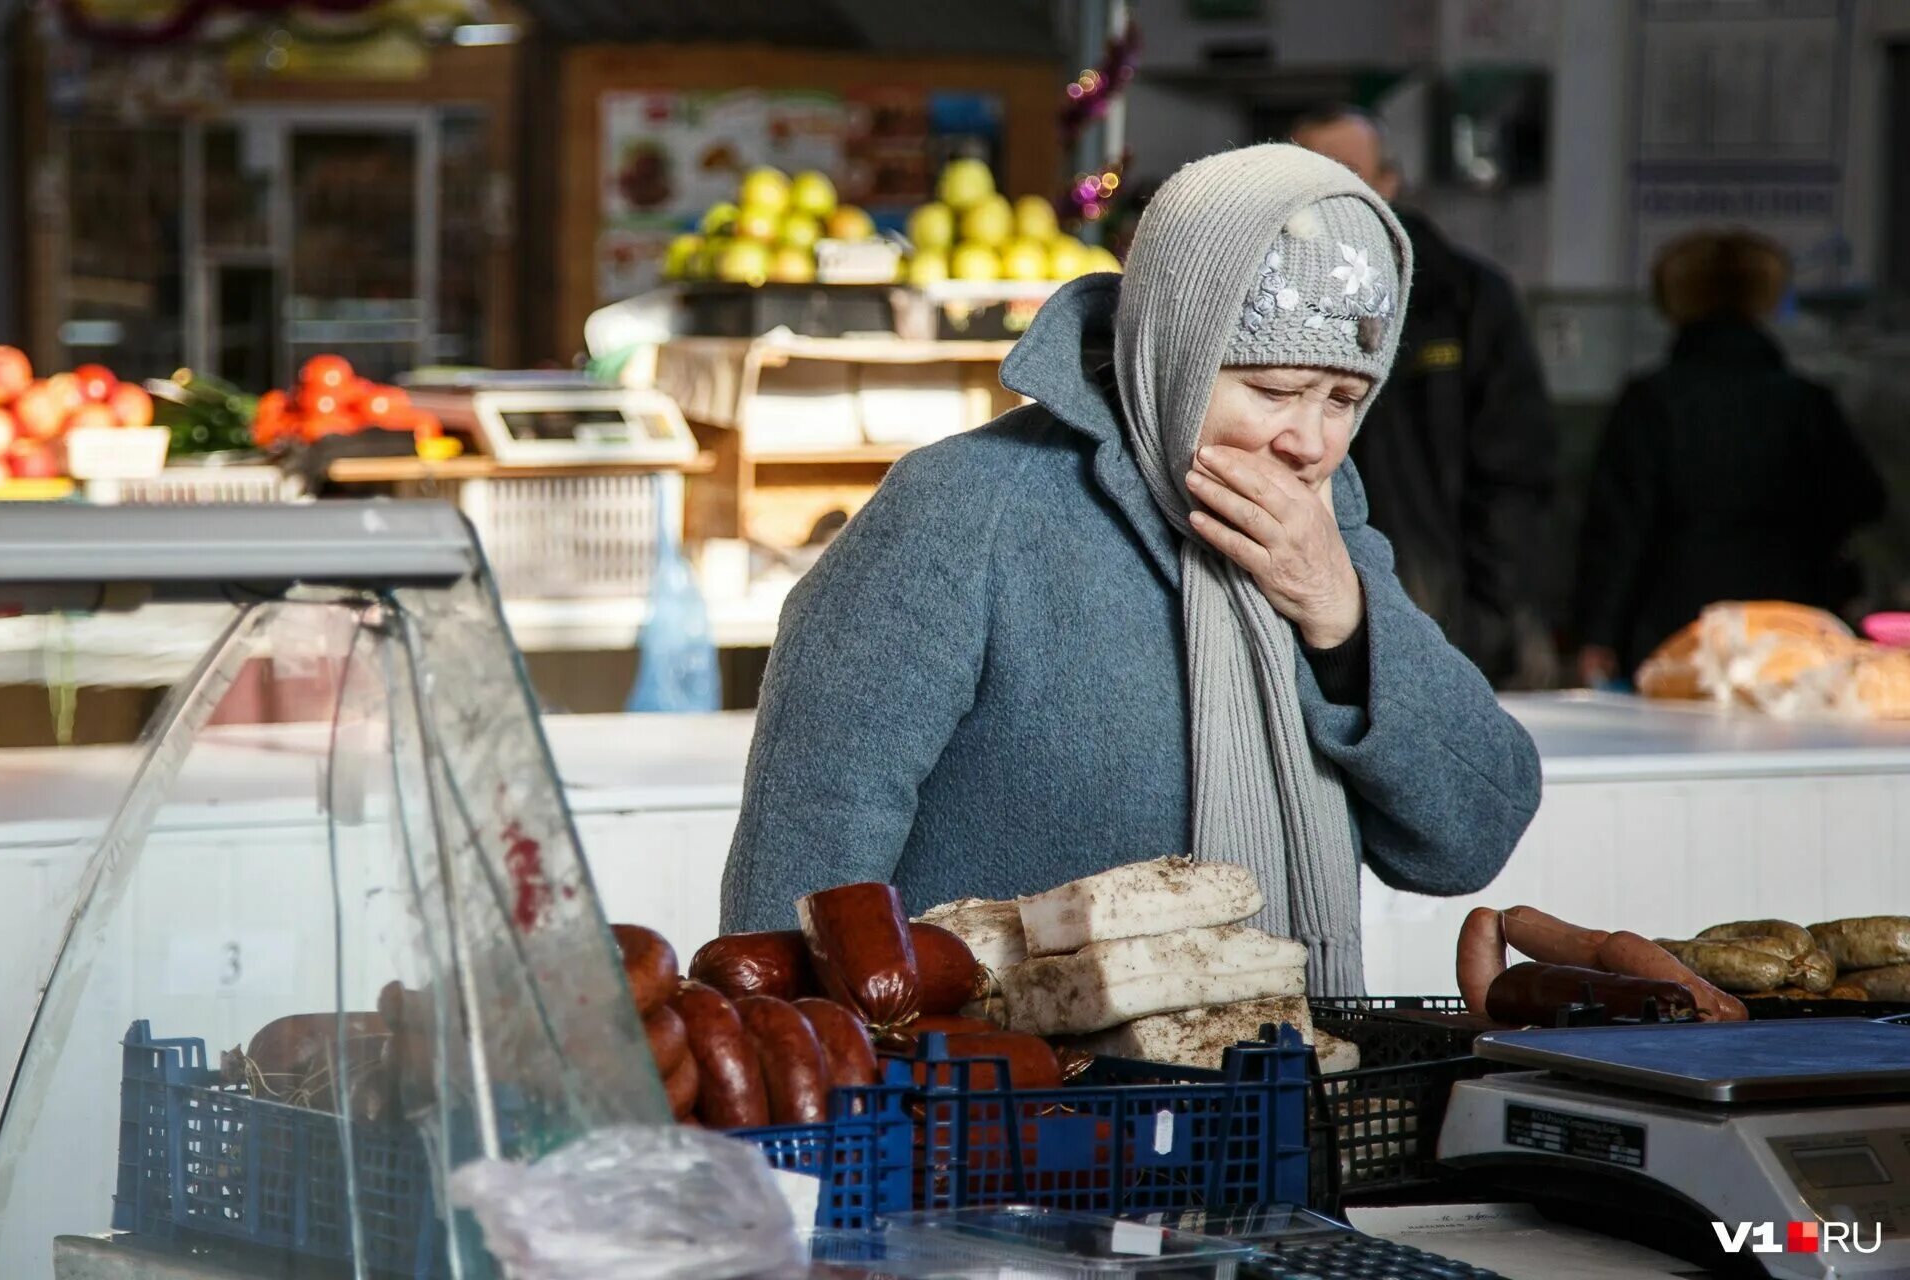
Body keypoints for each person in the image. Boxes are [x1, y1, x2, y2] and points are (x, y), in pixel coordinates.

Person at [720, 144, 1541, 996]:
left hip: (1278, 1102)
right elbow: (805, 857)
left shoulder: (1325, 531)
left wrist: (1346, 617)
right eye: (1273, 389)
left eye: (1342, 400)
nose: (1310, 440)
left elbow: (1472, 836)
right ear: (1176, 350)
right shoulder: (968, 511)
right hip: (1011, 1108)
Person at [1291, 106, 1558, 688]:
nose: (1332, 192)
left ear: (1389, 182)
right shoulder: (1274, 301)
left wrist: (1489, 620)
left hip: (1448, 613)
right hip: (1313, 615)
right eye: (1311, 172)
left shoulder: (1463, 299)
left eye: (1347, 171)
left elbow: (1516, 471)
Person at [1574, 230, 1886, 685]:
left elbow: (1618, 530)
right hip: (1789, 621)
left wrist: (1596, 634)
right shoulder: (1804, 402)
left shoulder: (1653, 400)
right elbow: (1864, 500)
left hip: (1676, 626)